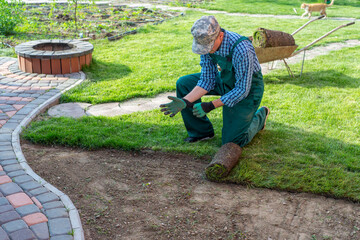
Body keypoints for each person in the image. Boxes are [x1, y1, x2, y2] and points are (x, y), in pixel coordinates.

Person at [160, 15, 270, 147]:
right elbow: (207, 79)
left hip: (248, 88)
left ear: (220, 36)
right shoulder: (206, 45)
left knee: (232, 141)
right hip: (225, 79)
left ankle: (261, 116)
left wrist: (210, 105)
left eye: (209, 46)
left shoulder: (242, 49)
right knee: (184, 83)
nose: (207, 50)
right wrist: (185, 101)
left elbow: (242, 89)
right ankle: (201, 132)